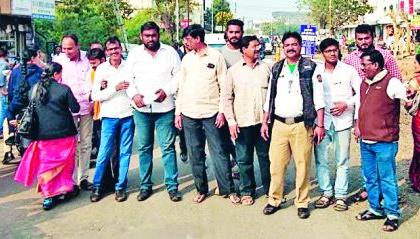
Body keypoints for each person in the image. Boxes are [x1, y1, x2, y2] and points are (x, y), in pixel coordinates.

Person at [261, 32, 325, 218]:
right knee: (276, 165)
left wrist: (319, 125)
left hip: (301, 125)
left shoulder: (311, 67)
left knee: (303, 165)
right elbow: (269, 99)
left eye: (294, 44)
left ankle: (302, 202)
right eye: (287, 44)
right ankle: (274, 199)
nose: (290, 47)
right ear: (282, 46)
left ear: (300, 46)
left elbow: (318, 99)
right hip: (279, 124)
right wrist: (265, 122)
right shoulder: (276, 67)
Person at [174, 24, 239, 204]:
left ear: (197, 39)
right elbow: (181, 86)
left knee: (219, 152)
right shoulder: (186, 59)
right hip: (189, 114)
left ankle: (228, 189)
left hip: (212, 114)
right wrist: (178, 112)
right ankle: (201, 189)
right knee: (195, 154)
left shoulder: (216, 57)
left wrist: (221, 112)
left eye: (187, 39)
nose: (185, 42)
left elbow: (224, 86)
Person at [344, 24, 402, 202]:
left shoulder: (386, 57)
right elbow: (351, 92)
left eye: (366, 38)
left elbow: (396, 83)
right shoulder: (349, 60)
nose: (363, 42)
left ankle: (389, 199)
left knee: (383, 160)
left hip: (383, 115)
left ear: (373, 38)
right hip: (361, 114)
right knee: (367, 157)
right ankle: (370, 192)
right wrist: (357, 121)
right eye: (360, 39)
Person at [126, 22, 182, 202]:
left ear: (159, 35)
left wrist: (167, 91)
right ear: (141, 37)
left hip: (165, 108)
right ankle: (145, 186)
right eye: (147, 36)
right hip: (141, 110)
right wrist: (134, 95)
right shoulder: (134, 54)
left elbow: (179, 77)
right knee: (144, 148)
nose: (150, 39)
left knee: (167, 148)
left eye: (153, 35)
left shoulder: (170, 53)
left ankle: (172, 186)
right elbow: (128, 79)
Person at [354, 49, 409, 232]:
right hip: (366, 141)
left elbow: (406, 95)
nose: (362, 68)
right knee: (370, 178)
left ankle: (392, 214)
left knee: (387, 179)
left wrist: (409, 96)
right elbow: (360, 103)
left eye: (365, 65)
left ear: (376, 65)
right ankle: (375, 209)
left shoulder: (391, 82)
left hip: (385, 142)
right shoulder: (365, 83)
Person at [14, 62, 80, 210]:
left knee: (46, 166)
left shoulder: (34, 89)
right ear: (57, 74)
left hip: (43, 135)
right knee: (65, 165)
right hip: (65, 134)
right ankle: (65, 189)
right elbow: (76, 108)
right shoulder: (63, 89)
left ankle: (49, 196)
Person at [313, 38, 362, 211]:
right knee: (322, 159)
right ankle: (326, 193)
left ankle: (340, 195)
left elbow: (361, 93)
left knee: (342, 159)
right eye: (328, 51)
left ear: (339, 50)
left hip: (343, 122)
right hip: (322, 122)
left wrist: (346, 104)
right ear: (322, 53)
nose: (332, 53)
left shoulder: (349, 70)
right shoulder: (316, 71)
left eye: (334, 50)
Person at [223, 35, 271, 205]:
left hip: (263, 123)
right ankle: (247, 191)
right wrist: (231, 122)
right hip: (242, 123)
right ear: (244, 50)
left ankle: (269, 189)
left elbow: (272, 97)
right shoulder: (233, 71)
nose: (257, 49)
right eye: (254, 46)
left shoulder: (266, 68)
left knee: (266, 157)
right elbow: (227, 98)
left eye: (259, 46)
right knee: (244, 159)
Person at [90, 36, 134, 202]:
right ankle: (97, 186)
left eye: (116, 48)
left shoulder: (128, 67)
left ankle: (120, 186)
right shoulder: (101, 69)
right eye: (110, 50)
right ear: (106, 52)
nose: (114, 52)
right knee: (103, 153)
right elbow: (95, 95)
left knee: (125, 153)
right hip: (109, 117)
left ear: (120, 48)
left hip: (127, 115)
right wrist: (114, 89)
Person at [54, 34, 93, 191]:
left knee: (86, 143)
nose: (66, 51)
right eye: (64, 48)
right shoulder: (59, 61)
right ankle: (69, 181)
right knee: (70, 146)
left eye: (70, 48)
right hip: (68, 110)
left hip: (86, 107)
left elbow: (94, 80)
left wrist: (93, 102)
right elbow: (56, 83)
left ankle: (83, 178)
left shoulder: (87, 58)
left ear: (78, 46)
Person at [8, 49, 43, 123]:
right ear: (33, 58)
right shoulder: (40, 72)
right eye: (38, 57)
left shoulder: (15, 71)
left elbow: (10, 92)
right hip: (33, 108)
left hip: (16, 106)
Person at [86, 48, 106, 159]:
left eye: (95, 63)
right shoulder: (91, 73)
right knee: (101, 146)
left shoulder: (110, 70)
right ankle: (106, 175)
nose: (93, 66)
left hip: (113, 114)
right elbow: (87, 93)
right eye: (91, 64)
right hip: (97, 115)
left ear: (102, 60)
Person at [406, 54, 420, 193]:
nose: (414, 65)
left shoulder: (415, 81)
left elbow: (408, 103)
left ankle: (417, 179)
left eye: (416, 62)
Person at [0, 48, 9, 138]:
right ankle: (1, 129)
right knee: (3, 109)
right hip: (3, 90)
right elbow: (1, 76)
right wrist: (2, 88)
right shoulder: (4, 64)